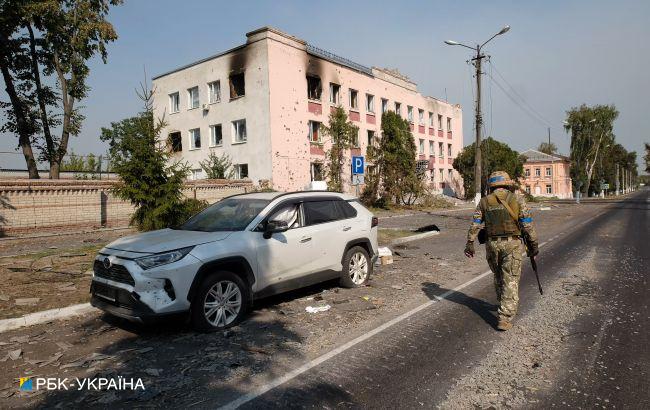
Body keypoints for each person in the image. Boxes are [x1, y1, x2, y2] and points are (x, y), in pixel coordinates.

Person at [464, 171, 539, 331]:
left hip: (491, 245)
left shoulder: (484, 202)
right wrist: (533, 245)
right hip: (511, 244)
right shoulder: (518, 200)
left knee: (498, 275)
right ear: (507, 183)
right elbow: (527, 225)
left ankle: (502, 302)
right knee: (510, 278)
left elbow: (476, 223)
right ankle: (504, 317)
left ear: (492, 185)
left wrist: (470, 242)